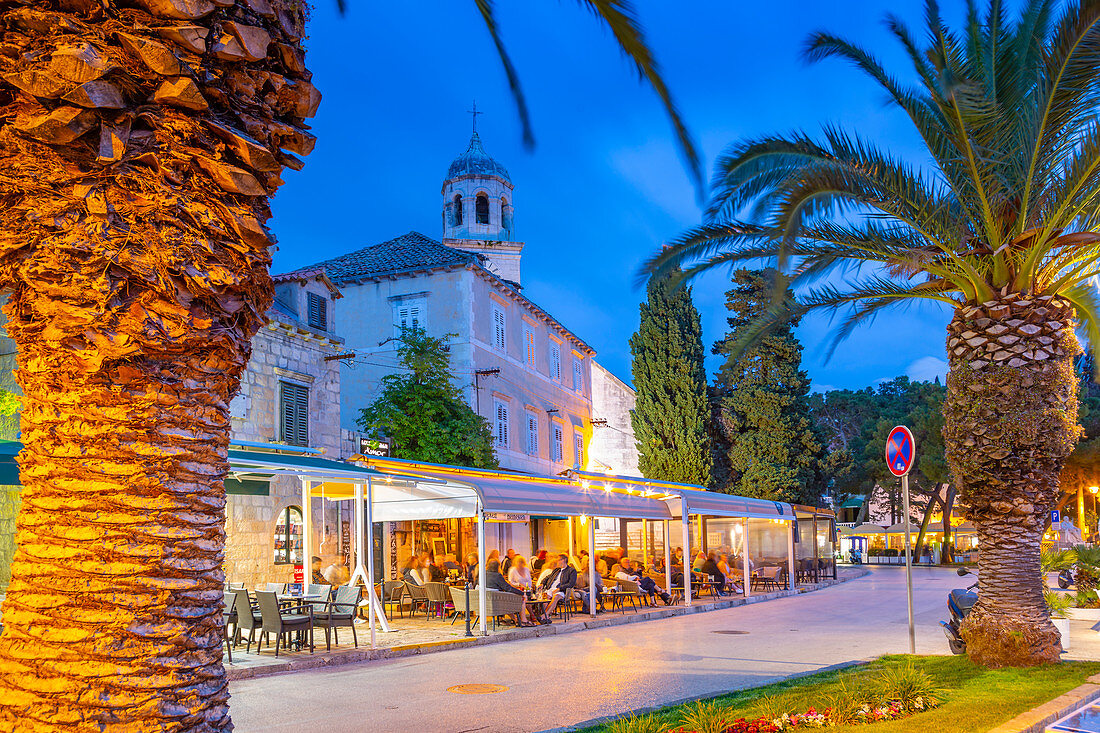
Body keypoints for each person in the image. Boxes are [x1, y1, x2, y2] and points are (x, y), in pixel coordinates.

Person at [483, 559, 536, 627]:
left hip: (485, 602)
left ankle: (516, 619)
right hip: (497, 603)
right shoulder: (497, 575)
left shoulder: (482, 575)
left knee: (506, 600)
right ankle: (524, 621)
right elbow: (508, 588)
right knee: (521, 599)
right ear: (498, 567)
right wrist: (521, 593)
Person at [537, 553, 576, 620]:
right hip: (550, 589)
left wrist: (559, 588)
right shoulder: (556, 570)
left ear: (564, 560)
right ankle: (546, 616)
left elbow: (571, 584)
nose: (557, 562)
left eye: (558, 560)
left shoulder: (571, 571)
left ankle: (544, 615)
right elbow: (547, 577)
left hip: (562, 590)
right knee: (545, 599)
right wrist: (542, 583)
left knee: (555, 597)